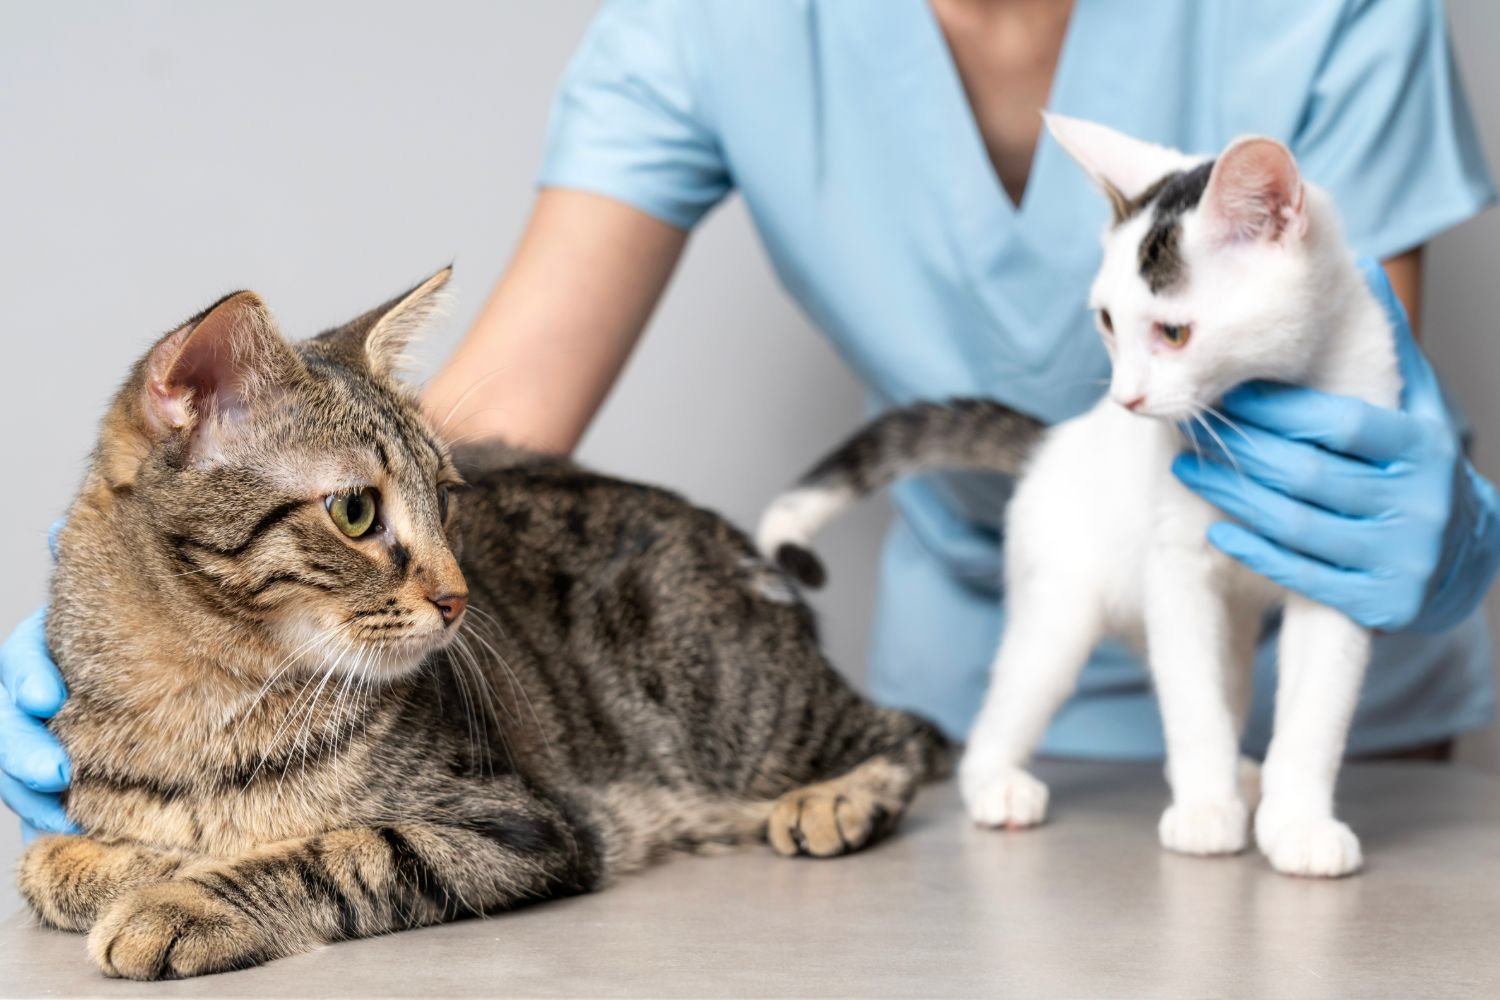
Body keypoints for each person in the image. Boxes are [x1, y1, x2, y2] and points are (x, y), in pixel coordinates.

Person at [5, 0, 1500, 843]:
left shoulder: (1331, 12)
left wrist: (1440, 538)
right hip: (979, 702)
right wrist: (159, 617)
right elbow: (489, 425)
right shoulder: (708, 20)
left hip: (1330, 718)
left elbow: (1340, 437)